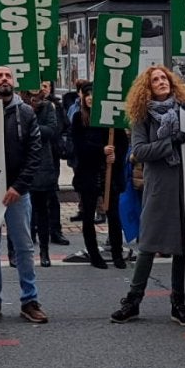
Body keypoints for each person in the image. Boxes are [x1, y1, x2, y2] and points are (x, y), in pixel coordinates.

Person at [110, 65, 185, 326]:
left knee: (182, 245)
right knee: (148, 243)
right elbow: (139, 151)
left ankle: (178, 302)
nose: (161, 82)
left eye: (164, 78)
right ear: (147, 88)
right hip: (159, 184)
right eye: (155, 79)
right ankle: (133, 300)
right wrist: (170, 143)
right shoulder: (142, 117)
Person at [0, 66, 48, 325]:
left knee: (24, 248)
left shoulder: (26, 113)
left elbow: (34, 153)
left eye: (8, 76)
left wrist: (18, 186)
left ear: (14, 83)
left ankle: (30, 300)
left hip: (18, 192)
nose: (4, 80)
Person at [67, 80, 128, 269]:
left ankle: (117, 253)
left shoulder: (110, 119)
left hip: (110, 173)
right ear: (83, 97)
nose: (91, 98)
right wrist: (100, 150)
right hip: (88, 173)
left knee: (113, 214)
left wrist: (115, 155)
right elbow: (78, 146)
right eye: (87, 94)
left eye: (94, 94)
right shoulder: (79, 118)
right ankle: (94, 254)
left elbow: (122, 143)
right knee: (88, 214)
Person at [27, 90, 63, 266]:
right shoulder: (18, 103)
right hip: (20, 162)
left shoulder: (48, 106)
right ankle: (20, 251)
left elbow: (51, 131)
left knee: (42, 210)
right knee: (23, 211)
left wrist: (29, 124)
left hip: (41, 163)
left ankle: (44, 251)